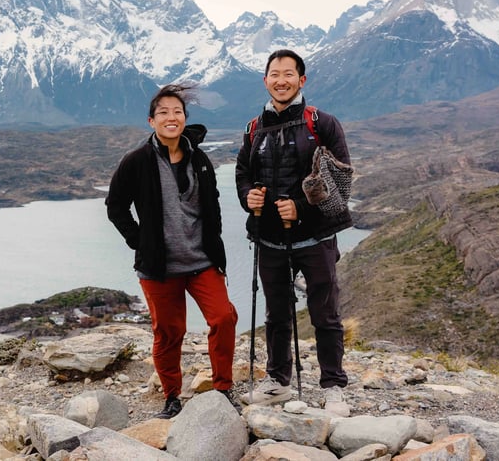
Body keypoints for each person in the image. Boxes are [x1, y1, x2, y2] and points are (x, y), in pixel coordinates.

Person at [106, 84, 239, 419]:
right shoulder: (136, 161)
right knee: (169, 333)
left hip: (202, 260)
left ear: (184, 119)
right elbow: (116, 206)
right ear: (152, 121)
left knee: (223, 318)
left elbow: (213, 206)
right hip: (158, 268)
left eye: (177, 111)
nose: (171, 116)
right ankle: (171, 396)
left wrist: (217, 248)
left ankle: (223, 388)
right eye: (163, 112)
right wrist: (139, 241)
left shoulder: (200, 158)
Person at [235, 49, 353, 416]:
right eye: (274, 73)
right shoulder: (254, 128)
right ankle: (278, 382)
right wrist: (247, 197)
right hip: (270, 239)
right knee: (277, 315)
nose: (281, 79)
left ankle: (333, 385)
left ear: (302, 80)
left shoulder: (322, 123)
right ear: (265, 80)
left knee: (326, 314)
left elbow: (342, 180)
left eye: (289, 73)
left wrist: (300, 207)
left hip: (315, 238)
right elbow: (243, 172)